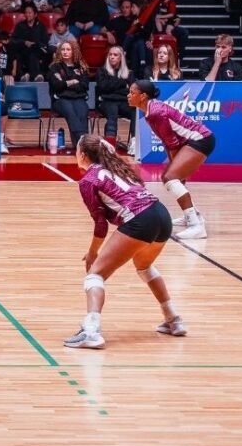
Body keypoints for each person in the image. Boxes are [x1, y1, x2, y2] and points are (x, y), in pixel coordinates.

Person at [63, 133, 183, 349]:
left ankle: (91, 331)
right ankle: (173, 319)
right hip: (162, 215)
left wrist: (93, 253)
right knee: (144, 266)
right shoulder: (117, 168)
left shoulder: (89, 180)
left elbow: (101, 225)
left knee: (95, 276)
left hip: (141, 219)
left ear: (82, 155)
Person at [130, 78, 214, 241]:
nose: (128, 95)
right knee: (174, 178)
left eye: (132, 92)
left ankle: (197, 227)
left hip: (201, 139)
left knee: (169, 178)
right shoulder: (150, 111)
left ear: (143, 96)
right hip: (191, 141)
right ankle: (193, 215)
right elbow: (169, 143)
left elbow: (173, 143)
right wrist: (176, 170)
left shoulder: (155, 112)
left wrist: (174, 171)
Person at [46, 38, 90, 149]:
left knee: (82, 112)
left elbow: (84, 86)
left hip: (78, 98)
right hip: (60, 99)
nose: (65, 52)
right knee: (70, 112)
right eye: (63, 49)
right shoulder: (54, 67)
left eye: (68, 49)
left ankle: (79, 146)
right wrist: (73, 81)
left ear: (73, 51)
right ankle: (83, 142)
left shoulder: (81, 67)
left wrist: (65, 83)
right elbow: (56, 85)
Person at [95, 46, 135, 142]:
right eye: (110, 55)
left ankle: (135, 141)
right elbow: (103, 87)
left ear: (121, 57)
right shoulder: (102, 71)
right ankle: (110, 143)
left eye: (115, 55)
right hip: (106, 102)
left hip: (123, 102)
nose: (112, 57)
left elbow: (131, 91)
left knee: (136, 111)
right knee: (112, 109)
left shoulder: (129, 73)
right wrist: (122, 83)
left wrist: (111, 87)